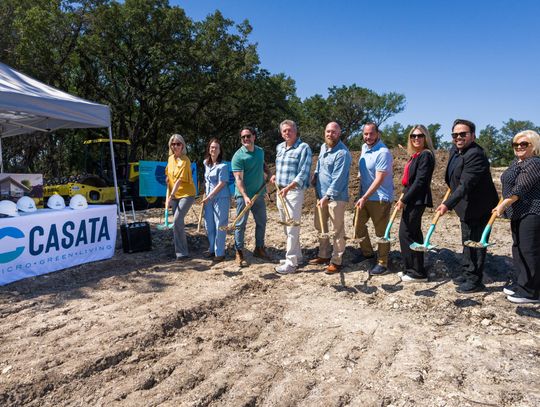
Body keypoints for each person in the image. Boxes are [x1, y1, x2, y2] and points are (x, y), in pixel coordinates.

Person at [436, 119, 498, 293]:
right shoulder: (455, 151)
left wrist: (447, 204)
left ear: (473, 135)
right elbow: (453, 178)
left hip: (480, 206)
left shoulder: (476, 154)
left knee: (475, 242)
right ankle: (467, 272)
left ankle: (475, 281)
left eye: (463, 134)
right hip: (465, 205)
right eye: (455, 134)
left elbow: (466, 184)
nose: (458, 137)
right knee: (467, 240)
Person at [493, 130, 540, 304]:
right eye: (516, 144)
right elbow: (508, 184)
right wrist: (501, 204)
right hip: (518, 212)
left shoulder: (534, 163)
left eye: (524, 144)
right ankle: (522, 284)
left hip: (533, 212)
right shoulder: (517, 162)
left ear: (533, 146)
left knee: (529, 251)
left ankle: (531, 292)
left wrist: (503, 205)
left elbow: (521, 187)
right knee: (518, 248)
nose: (519, 147)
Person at [309, 122, 352, 274]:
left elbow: (338, 179)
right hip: (320, 195)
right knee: (320, 226)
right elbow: (319, 165)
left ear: (339, 133)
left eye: (333, 132)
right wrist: (315, 175)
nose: (330, 134)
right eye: (328, 131)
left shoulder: (343, 153)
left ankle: (336, 261)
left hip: (335, 198)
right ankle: (323, 255)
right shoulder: (323, 147)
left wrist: (327, 196)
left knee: (337, 230)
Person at [270, 120, 312, 274]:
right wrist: (275, 176)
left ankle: (291, 263)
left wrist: (288, 187)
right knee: (286, 227)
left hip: (293, 192)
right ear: (281, 133)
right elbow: (280, 166)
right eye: (284, 131)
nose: (287, 133)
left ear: (296, 131)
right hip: (280, 191)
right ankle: (297, 256)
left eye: (290, 130)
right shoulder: (279, 147)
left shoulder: (303, 148)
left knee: (292, 226)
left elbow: (303, 173)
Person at [396, 125, 435, 282]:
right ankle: (410, 269)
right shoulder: (416, 155)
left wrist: (404, 200)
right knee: (412, 233)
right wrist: (403, 197)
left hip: (417, 200)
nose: (416, 138)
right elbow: (410, 182)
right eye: (413, 136)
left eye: (420, 136)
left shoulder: (425, 155)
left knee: (407, 234)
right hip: (412, 198)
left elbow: (419, 182)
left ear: (425, 138)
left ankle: (417, 273)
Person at [354, 122, 394, 275]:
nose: (368, 137)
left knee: (381, 232)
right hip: (364, 196)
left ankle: (383, 262)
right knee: (357, 225)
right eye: (365, 134)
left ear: (378, 134)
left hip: (380, 198)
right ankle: (367, 253)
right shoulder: (365, 147)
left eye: (371, 134)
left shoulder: (383, 152)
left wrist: (364, 196)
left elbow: (379, 180)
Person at [231, 126, 271, 267]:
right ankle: (239, 251)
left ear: (254, 136)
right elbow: (238, 179)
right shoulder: (238, 156)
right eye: (243, 137)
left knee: (262, 222)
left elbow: (262, 165)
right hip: (243, 196)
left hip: (259, 193)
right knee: (240, 225)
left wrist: (269, 175)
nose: (246, 139)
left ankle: (259, 248)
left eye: (248, 136)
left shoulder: (260, 151)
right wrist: (245, 196)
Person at [165, 134, 196, 260]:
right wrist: (167, 178)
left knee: (177, 220)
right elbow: (169, 174)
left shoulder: (185, 160)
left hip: (187, 195)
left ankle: (182, 253)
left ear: (182, 145)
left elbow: (178, 181)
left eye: (178, 144)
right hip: (174, 194)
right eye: (173, 144)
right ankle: (180, 250)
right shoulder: (170, 159)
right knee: (178, 223)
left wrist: (170, 198)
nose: (175, 146)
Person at [202, 138, 230, 263]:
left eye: (216, 148)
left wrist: (210, 196)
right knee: (209, 224)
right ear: (209, 149)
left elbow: (222, 183)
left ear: (220, 151)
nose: (213, 149)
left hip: (221, 198)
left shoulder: (223, 166)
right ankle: (211, 248)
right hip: (208, 199)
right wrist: (206, 195)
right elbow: (207, 181)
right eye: (212, 147)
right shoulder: (205, 163)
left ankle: (220, 252)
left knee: (220, 224)